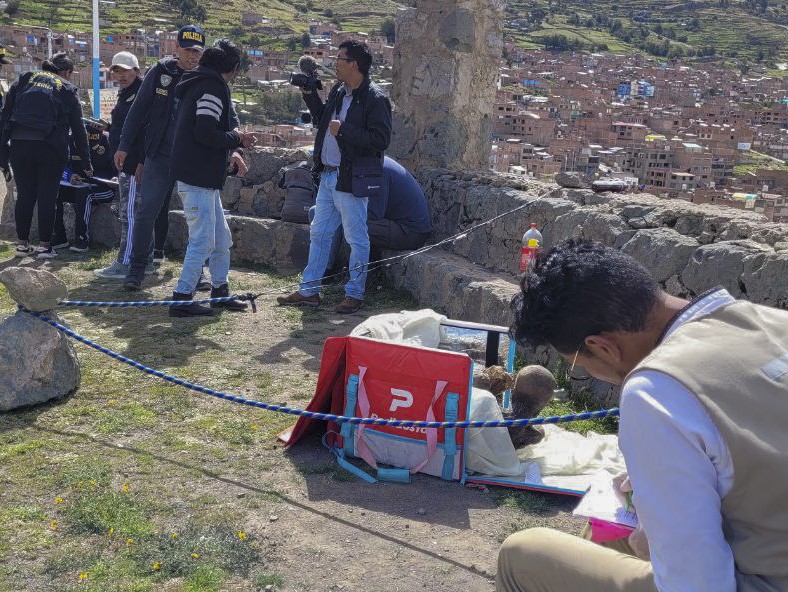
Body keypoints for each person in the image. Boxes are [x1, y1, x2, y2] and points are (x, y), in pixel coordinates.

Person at [498, 238, 788, 592]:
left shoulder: (657, 388)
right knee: (604, 535)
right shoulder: (770, 321)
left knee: (523, 553)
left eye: (578, 364)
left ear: (603, 347)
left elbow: (697, 585)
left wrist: (654, 545)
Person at [277, 40, 392, 314]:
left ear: (354, 64)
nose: (335, 63)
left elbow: (381, 139)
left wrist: (345, 130)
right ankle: (309, 291)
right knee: (319, 233)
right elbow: (323, 121)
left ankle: (355, 293)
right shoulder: (341, 91)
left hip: (351, 178)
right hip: (329, 176)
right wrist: (309, 94)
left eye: (340, 58)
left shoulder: (375, 99)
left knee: (356, 237)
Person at [167, 38, 255, 317]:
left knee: (221, 238)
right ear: (234, 69)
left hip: (200, 176)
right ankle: (182, 297)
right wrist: (237, 138)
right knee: (203, 240)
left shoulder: (197, 83)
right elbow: (205, 132)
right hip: (198, 176)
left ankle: (220, 292)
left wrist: (233, 141)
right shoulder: (212, 89)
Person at [115, 25, 205, 290]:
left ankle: (198, 273)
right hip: (159, 155)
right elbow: (138, 110)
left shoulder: (205, 77)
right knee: (146, 213)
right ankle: (138, 269)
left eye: (197, 51)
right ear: (176, 48)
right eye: (188, 50)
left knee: (198, 217)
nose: (193, 56)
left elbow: (224, 112)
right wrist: (124, 146)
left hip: (191, 158)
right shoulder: (161, 72)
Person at [0, 52, 92, 259]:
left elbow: (4, 116)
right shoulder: (67, 88)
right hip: (51, 147)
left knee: (25, 195)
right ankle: (44, 247)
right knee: (47, 196)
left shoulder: (24, 79)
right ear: (67, 72)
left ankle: (22, 245)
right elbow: (79, 130)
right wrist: (86, 162)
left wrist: (3, 155)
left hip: (20, 144)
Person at [309, 155, 432, 274]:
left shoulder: (376, 169)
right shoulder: (358, 166)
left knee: (352, 225)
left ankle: (357, 277)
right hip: (389, 223)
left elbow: (374, 214)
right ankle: (326, 269)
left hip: (410, 232)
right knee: (315, 212)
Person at [93, 51, 146, 279]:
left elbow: (145, 131)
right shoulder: (126, 94)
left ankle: (126, 262)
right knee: (136, 214)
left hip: (134, 164)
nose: (121, 75)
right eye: (117, 71)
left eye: (125, 70)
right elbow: (125, 127)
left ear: (136, 70)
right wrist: (108, 128)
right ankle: (146, 261)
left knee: (130, 214)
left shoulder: (141, 94)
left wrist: (141, 162)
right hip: (126, 163)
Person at [52, 121, 116, 251]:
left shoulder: (107, 142)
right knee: (53, 191)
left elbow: (119, 168)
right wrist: (70, 175)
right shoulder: (69, 140)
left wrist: (115, 178)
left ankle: (82, 239)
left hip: (104, 188)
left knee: (85, 193)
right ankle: (59, 237)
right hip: (79, 184)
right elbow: (62, 165)